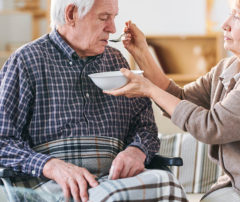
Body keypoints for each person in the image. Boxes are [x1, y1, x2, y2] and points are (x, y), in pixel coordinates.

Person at [106, 0, 240, 201]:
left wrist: (149, 89)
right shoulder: (228, 67)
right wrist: (142, 52)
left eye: (236, 17)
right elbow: (180, 99)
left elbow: (212, 126)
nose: (224, 25)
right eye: (229, 14)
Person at [0, 0, 187, 201]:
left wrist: (137, 151)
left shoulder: (116, 61)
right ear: (71, 14)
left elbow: (145, 127)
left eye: (114, 18)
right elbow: (3, 141)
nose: (113, 28)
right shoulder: (26, 62)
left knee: (168, 185)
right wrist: (51, 166)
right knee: (112, 197)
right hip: (49, 184)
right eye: (103, 18)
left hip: (113, 180)